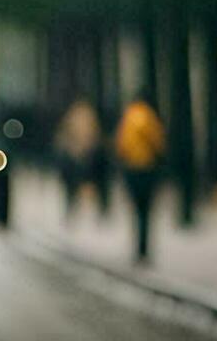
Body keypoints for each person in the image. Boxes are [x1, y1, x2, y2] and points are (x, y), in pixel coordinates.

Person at [114, 92, 166, 264]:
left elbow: (121, 144)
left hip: (131, 169)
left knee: (136, 211)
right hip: (147, 168)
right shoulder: (149, 117)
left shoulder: (128, 116)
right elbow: (158, 142)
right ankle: (144, 250)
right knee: (146, 211)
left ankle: (137, 249)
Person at [54, 99, 102, 221]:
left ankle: (76, 209)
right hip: (78, 155)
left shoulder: (74, 116)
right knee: (75, 185)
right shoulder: (86, 116)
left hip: (79, 155)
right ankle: (75, 209)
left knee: (77, 185)